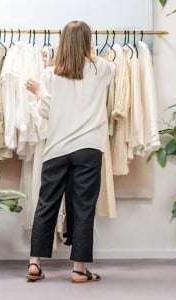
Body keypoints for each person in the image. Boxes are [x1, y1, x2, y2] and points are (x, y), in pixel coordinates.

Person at [24, 20, 115, 283]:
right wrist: (88, 53)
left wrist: (41, 91)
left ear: (61, 42)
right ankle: (78, 269)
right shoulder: (103, 69)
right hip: (89, 147)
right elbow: (109, 66)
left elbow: (46, 112)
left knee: (46, 204)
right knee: (83, 207)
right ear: (88, 42)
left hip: (57, 148)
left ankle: (34, 264)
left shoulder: (50, 75)